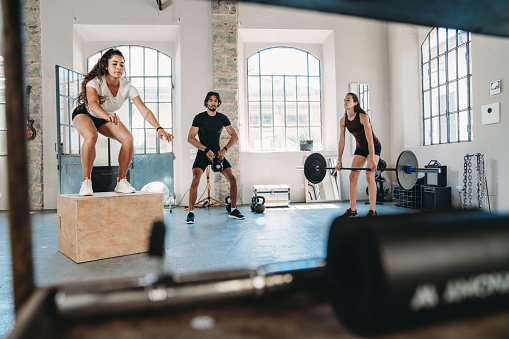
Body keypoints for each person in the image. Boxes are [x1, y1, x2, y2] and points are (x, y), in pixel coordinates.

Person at [73, 48, 173, 196]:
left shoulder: (127, 87)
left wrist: (159, 128)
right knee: (91, 135)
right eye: (114, 64)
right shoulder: (94, 82)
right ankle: (86, 182)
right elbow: (93, 104)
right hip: (85, 113)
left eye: (121, 64)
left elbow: (143, 110)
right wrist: (107, 115)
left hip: (106, 117)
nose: (119, 68)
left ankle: (121, 181)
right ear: (106, 66)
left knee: (128, 139)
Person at [186, 91, 244, 224]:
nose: (213, 103)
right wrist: (205, 150)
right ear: (206, 102)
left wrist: (224, 149)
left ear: (218, 103)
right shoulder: (199, 117)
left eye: (215, 101)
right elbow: (190, 137)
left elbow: (234, 136)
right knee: (195, 179)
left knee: (233, 178)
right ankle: (191, 212)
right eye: (210, 100)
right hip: (203, 154)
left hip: (218, 154)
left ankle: (233, 210)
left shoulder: (222, 118)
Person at [336, 92, 381, 217]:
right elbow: (341, 141)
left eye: (348, 100)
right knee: (353, 176)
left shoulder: (363, 117)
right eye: (344, 100)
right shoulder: (343, 120)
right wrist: (339, 160)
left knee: (369, 175)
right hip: (360, 148)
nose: (345, 102)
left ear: (355, 103)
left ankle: (372, 210)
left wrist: (371, 158)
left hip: (374, 147)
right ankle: (353, 209)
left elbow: (370, 139)